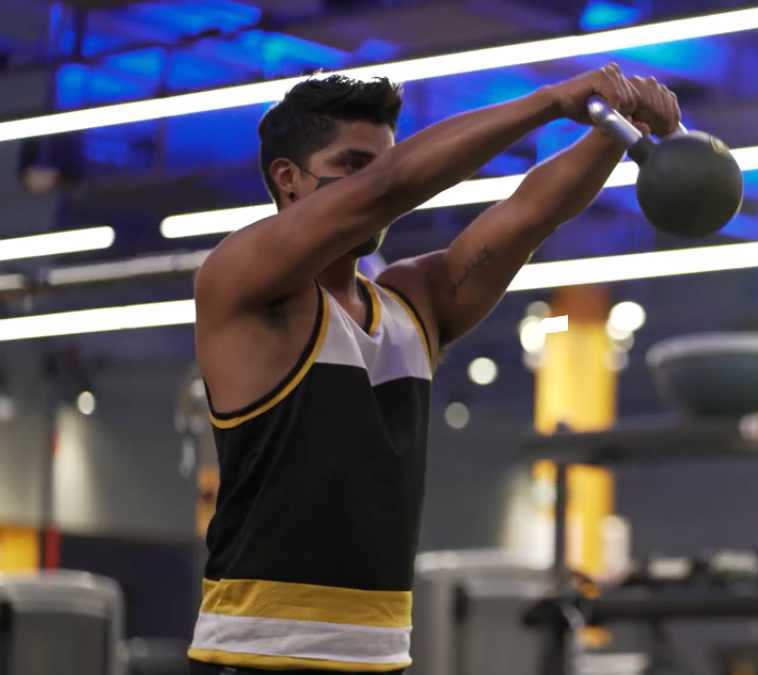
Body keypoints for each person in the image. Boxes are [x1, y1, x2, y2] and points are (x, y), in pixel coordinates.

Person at [187, 64, 680, 674]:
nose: (370, 185)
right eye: (350, 165)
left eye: (379, 161)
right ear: (287, 179)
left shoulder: (413, 305)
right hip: (256, 657)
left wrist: (614, 133)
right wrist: (553, 101)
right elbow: (391, 187)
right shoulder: (242, 280)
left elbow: (528, 214)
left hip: (382, 657)